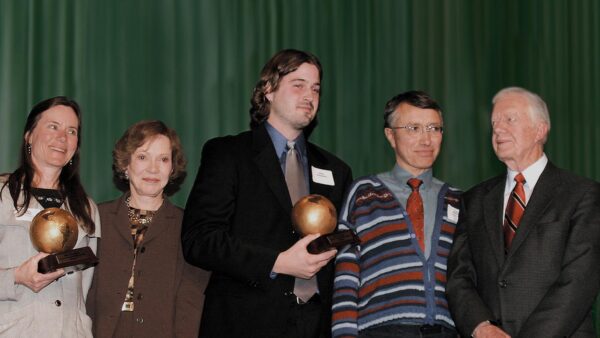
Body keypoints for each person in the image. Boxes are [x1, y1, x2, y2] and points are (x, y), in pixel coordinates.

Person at [181, 49, 353, 338]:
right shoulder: (228, 154)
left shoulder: (336, 169)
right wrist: (277, 262)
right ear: (268, 90)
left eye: (315, 88)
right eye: (298, 85)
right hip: (246, 321)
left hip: (318, 324)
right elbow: (200, 240)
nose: (309, 96)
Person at [447, 87, 600, 337]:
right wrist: (480, 326)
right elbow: (459, 276)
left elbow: (579, 281)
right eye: (494, 122)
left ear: (540, 130)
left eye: (510, 119)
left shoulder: (583, 195)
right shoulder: (473, 200)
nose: (497, 129)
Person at [331, 91, 461, 338]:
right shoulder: (363, 193)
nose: (426, 139)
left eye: (434, 128)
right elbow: (346, 271)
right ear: (391, 135)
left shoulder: (459, 199)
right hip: (380, 330)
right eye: (414, 128)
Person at [86, 120, 209, 337]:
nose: (153, 168)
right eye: (143, 157)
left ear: (172, 168)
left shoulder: (189, 225)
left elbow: (192, 301)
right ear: (126, 164)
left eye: (163, 159)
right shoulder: (96, 218)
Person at [0, 96, 100, 337]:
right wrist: (16, 277)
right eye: (53, 126)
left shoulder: (87, 209)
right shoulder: (2, 194)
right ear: (29, 135)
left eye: (72, 131)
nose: (62, 137)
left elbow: (87, 287)